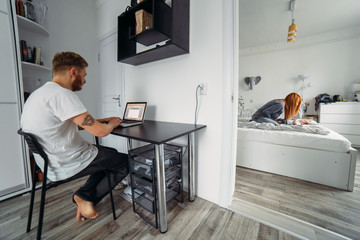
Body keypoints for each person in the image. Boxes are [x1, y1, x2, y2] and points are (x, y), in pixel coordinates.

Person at [21, 51, 129, 221]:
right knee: (124, 162)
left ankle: (84, 197)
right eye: (84, 75)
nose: (85, 80)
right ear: (73, 72)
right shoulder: (62, 95)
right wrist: (111, 124)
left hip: (48, 163)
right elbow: (101, 132)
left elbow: (71, 124)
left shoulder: (39, 95)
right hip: (67, 162)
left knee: (110, 153)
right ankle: (85, 197)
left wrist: (103, 120)